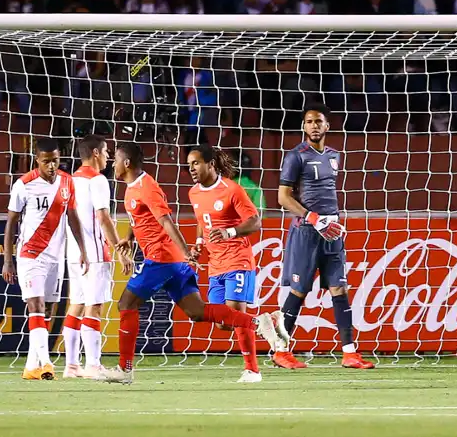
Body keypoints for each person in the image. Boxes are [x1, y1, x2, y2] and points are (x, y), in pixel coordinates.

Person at [101, 142, 284, 384]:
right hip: (174, 260)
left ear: (126, 163)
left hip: (162, 258)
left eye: (116, 160)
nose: (112, 164)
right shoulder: (138, 188)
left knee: (126, 304)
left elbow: (166, 222)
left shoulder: (147, 187)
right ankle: (262, 322)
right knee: (198, 313)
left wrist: (186, 251)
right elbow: (143, 220)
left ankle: (125, 370)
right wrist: (129, 238)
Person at [276, 104, 374, 370]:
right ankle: (281, 351)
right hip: (307, 232)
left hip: (332, 233)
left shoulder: (334, 155)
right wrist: (313, 218)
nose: (314, 126)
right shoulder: (295, 156)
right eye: (309, 122)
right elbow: (283, 197)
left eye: (318, 121)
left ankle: (350, 353)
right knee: (299, 290)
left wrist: (331, 220)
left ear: (327, 126)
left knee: (339, 289)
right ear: (303, 127)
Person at [3, 138, 89, 381]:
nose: (52, 165)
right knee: (36, 306)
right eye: (46, 161)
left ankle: (31, 366)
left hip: (55, 256)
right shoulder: (24, 185)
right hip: (30, 255)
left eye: (56, 160)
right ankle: (47, 363)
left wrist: (82, 249)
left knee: (49, 308)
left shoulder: (66, 182)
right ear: (37, 160)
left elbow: (72, 216)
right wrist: (8, 260)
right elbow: (11, 223)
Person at [187, 145, 267, 383]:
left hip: (238, 260)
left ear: (211, 164)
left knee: (234, 313)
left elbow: (255, 222)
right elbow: (203, 220)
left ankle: (252, 370)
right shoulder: (193, 193)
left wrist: (230, 232)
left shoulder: (232, 190)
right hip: (215, 264)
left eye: (196, 163)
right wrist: (199, 243)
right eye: (189, 164)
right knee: (223, 323)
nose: (192, 168)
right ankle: (266, 322)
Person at [60, 136, 126, 379]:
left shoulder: (69, 181)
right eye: (107, 151)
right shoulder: (98, 180)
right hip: (95, 253)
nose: (108, 156)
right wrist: (119, 248)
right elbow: (103, 217)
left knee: (76, 304)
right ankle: (94, 365)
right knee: (94, 307)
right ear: (96, 153)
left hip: (75, 253)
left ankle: (71, 366)